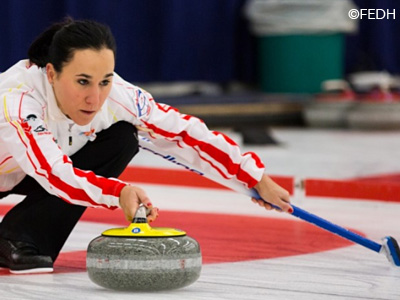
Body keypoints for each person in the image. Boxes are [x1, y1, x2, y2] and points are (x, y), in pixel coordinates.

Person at [0, 18, 292, 274]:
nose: (95, 98)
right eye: (82, 81)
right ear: (51, 73)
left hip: (27, 171)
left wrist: (254, 177)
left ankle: (19, 237)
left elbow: (184, 133)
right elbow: (51, 172)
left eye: (105, 81)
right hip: (26, 170)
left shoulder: (117, 96)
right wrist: (119, 192)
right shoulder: (17, 100)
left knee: (123, 137)